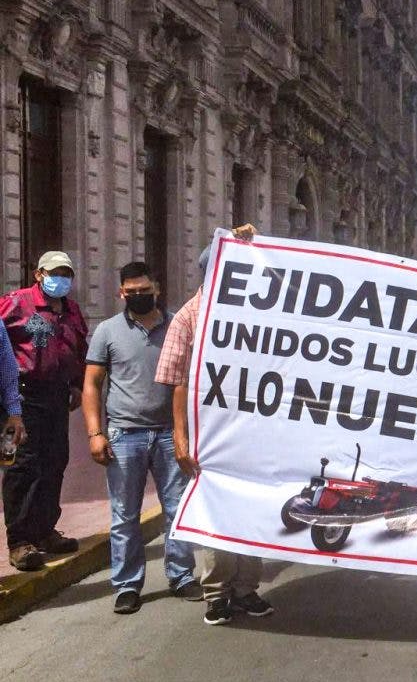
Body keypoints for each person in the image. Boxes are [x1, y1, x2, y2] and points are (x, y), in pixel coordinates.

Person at [155, 228, 275, 626]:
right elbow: (178, 380)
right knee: (216, 513)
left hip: (251, 434)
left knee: (249, 510)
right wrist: (180, 435)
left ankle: (246, 589)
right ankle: (216, 594)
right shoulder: (190, 316)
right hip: (209, 437)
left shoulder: (253, 310)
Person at [83, 262, 201, 614]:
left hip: (170, 434)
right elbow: (92, 384)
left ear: (157, 288)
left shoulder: (179, 325)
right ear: (121, 293)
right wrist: (94, 433)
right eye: (130, 292)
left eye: (143, 289)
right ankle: (127, 584)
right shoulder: (107, 331)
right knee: (124, 515)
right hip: (124, 435)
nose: (137, 296)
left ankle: (181, 575)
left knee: (177, 509)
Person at [0, 251, 87, 571]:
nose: (60, 278)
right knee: (18, 466)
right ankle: (19, 541)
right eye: (54, 272)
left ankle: (45, 530)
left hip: (56, 399)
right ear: (38, 274)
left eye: (66, 273)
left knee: (54, 462)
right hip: (16, 400)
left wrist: (76, 384)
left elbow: (78, 351)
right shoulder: (15, 302)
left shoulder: (72, 310)